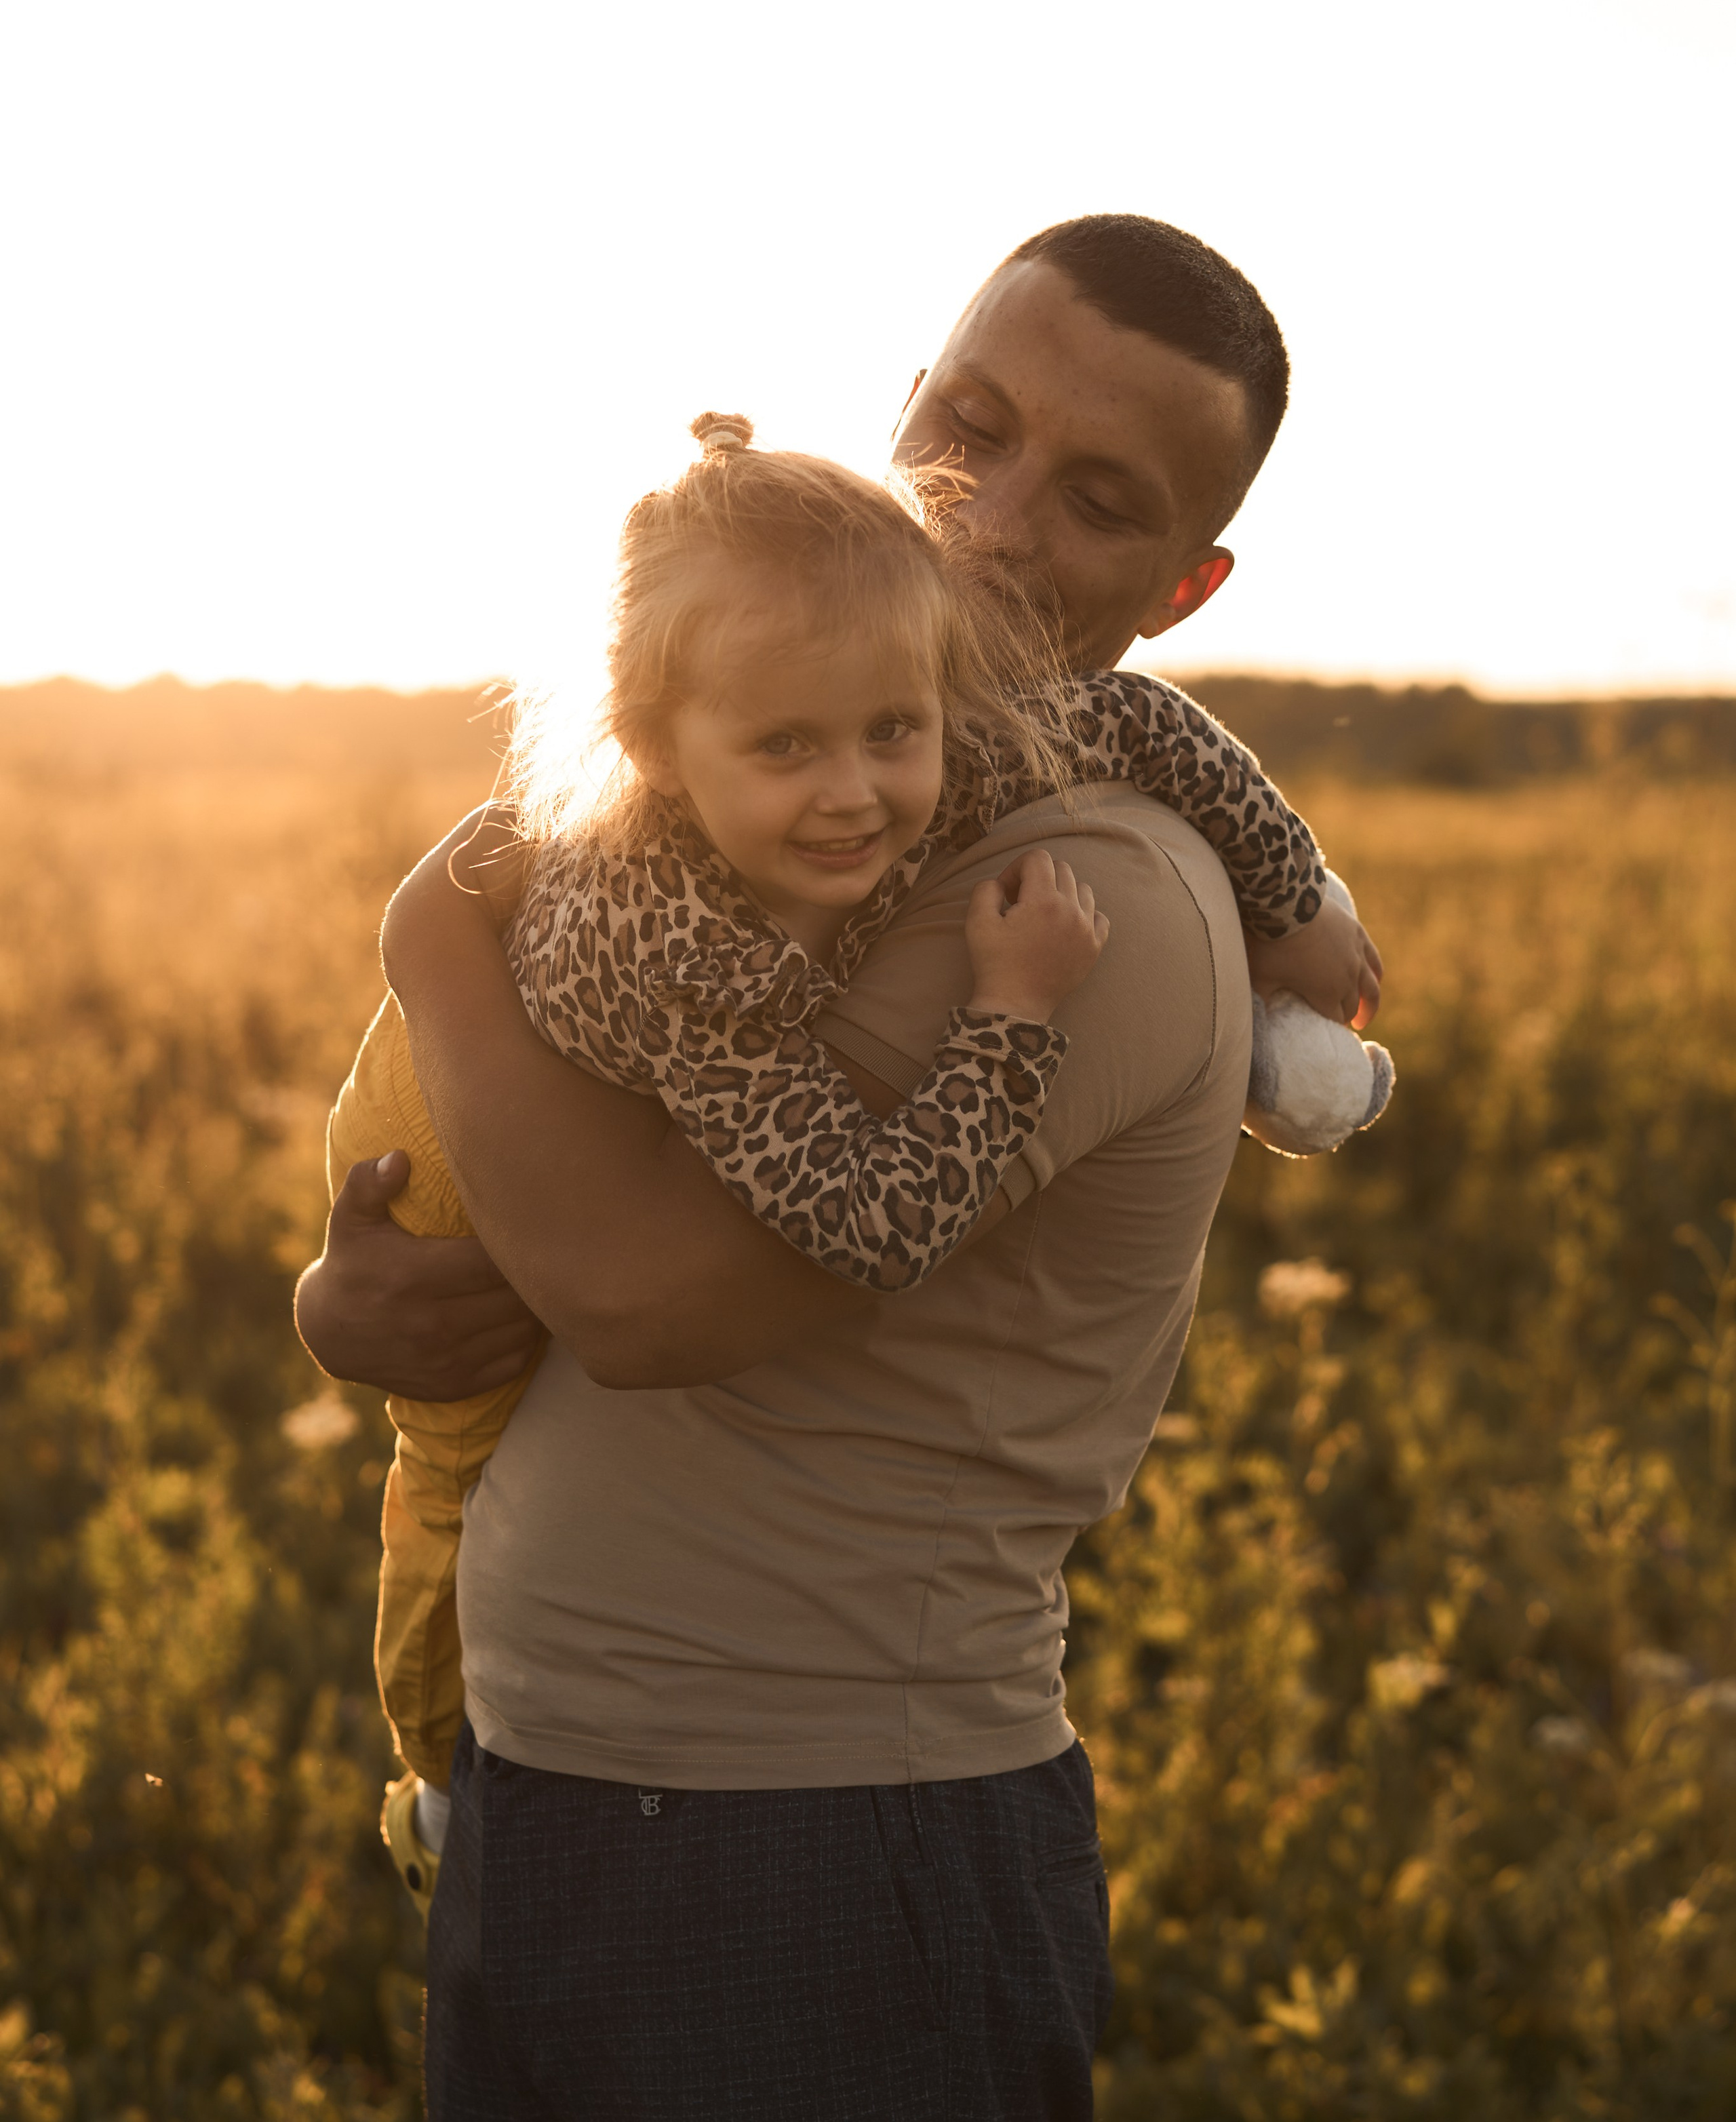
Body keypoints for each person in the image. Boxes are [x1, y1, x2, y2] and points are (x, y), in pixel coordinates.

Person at [296, 214, 1382, 2119]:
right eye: (969, 426)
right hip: (582, 1803)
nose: (995, 517)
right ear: (903, 407)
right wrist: (359, 1291)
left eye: (1101, 498)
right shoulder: (846, 800)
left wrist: (430, 947)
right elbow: (558, 1208)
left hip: (811, 1849)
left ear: (1188, 583)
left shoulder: (1081, 892)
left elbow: (635, 1298)